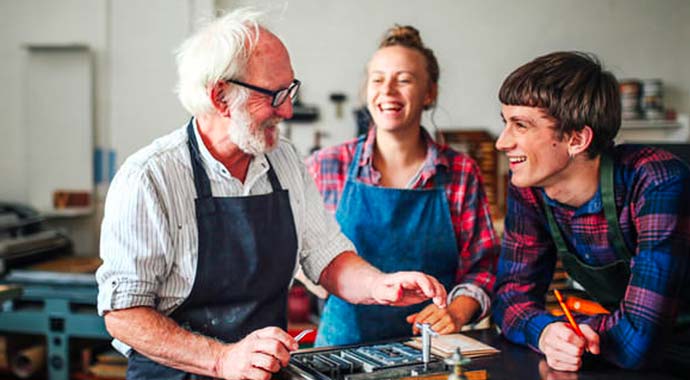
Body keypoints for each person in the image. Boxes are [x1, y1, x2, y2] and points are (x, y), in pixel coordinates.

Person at [95, 9, 448, 380]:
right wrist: (221, 359)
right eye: (275, 95)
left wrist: (380, 285)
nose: (288, 110)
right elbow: (124, 315)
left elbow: (326, 257)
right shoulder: (150, 178)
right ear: (220, 97)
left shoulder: (285, 161)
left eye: (290, 90)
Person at [492, 51, 690, 373]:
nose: (502, 142)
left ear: (577, 139)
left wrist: (568, 331)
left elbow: (637, 340)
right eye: (506, 123)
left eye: (520, 126)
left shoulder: (657, 182)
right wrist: (546, 333)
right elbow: (508, 299)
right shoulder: (528, 188)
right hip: (619, 357)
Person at [306, 25, 499, 347]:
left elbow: (484, 268)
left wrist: (457, 311)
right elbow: (294, 251)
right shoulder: (326, 166)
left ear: (429, 93)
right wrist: (321, 278)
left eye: (404, 79)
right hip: (342, 352)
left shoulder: (460, 173)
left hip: (431, 349)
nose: (388, 90)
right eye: (378, 79)